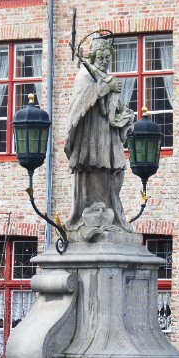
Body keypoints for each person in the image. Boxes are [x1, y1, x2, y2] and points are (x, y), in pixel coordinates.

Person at [64, 36, 136, 240]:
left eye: (108, 57)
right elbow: (80, 103)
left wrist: (124, 115)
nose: (105, 60)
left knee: (114, 169)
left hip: (107, 132)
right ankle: (86, 215)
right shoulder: (85, 76)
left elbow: (113, 107)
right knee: (91, 166)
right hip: (90, 133)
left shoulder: (105, 76)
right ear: (94, 56)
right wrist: (105, 87)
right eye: (101, 56)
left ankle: (113, 214)